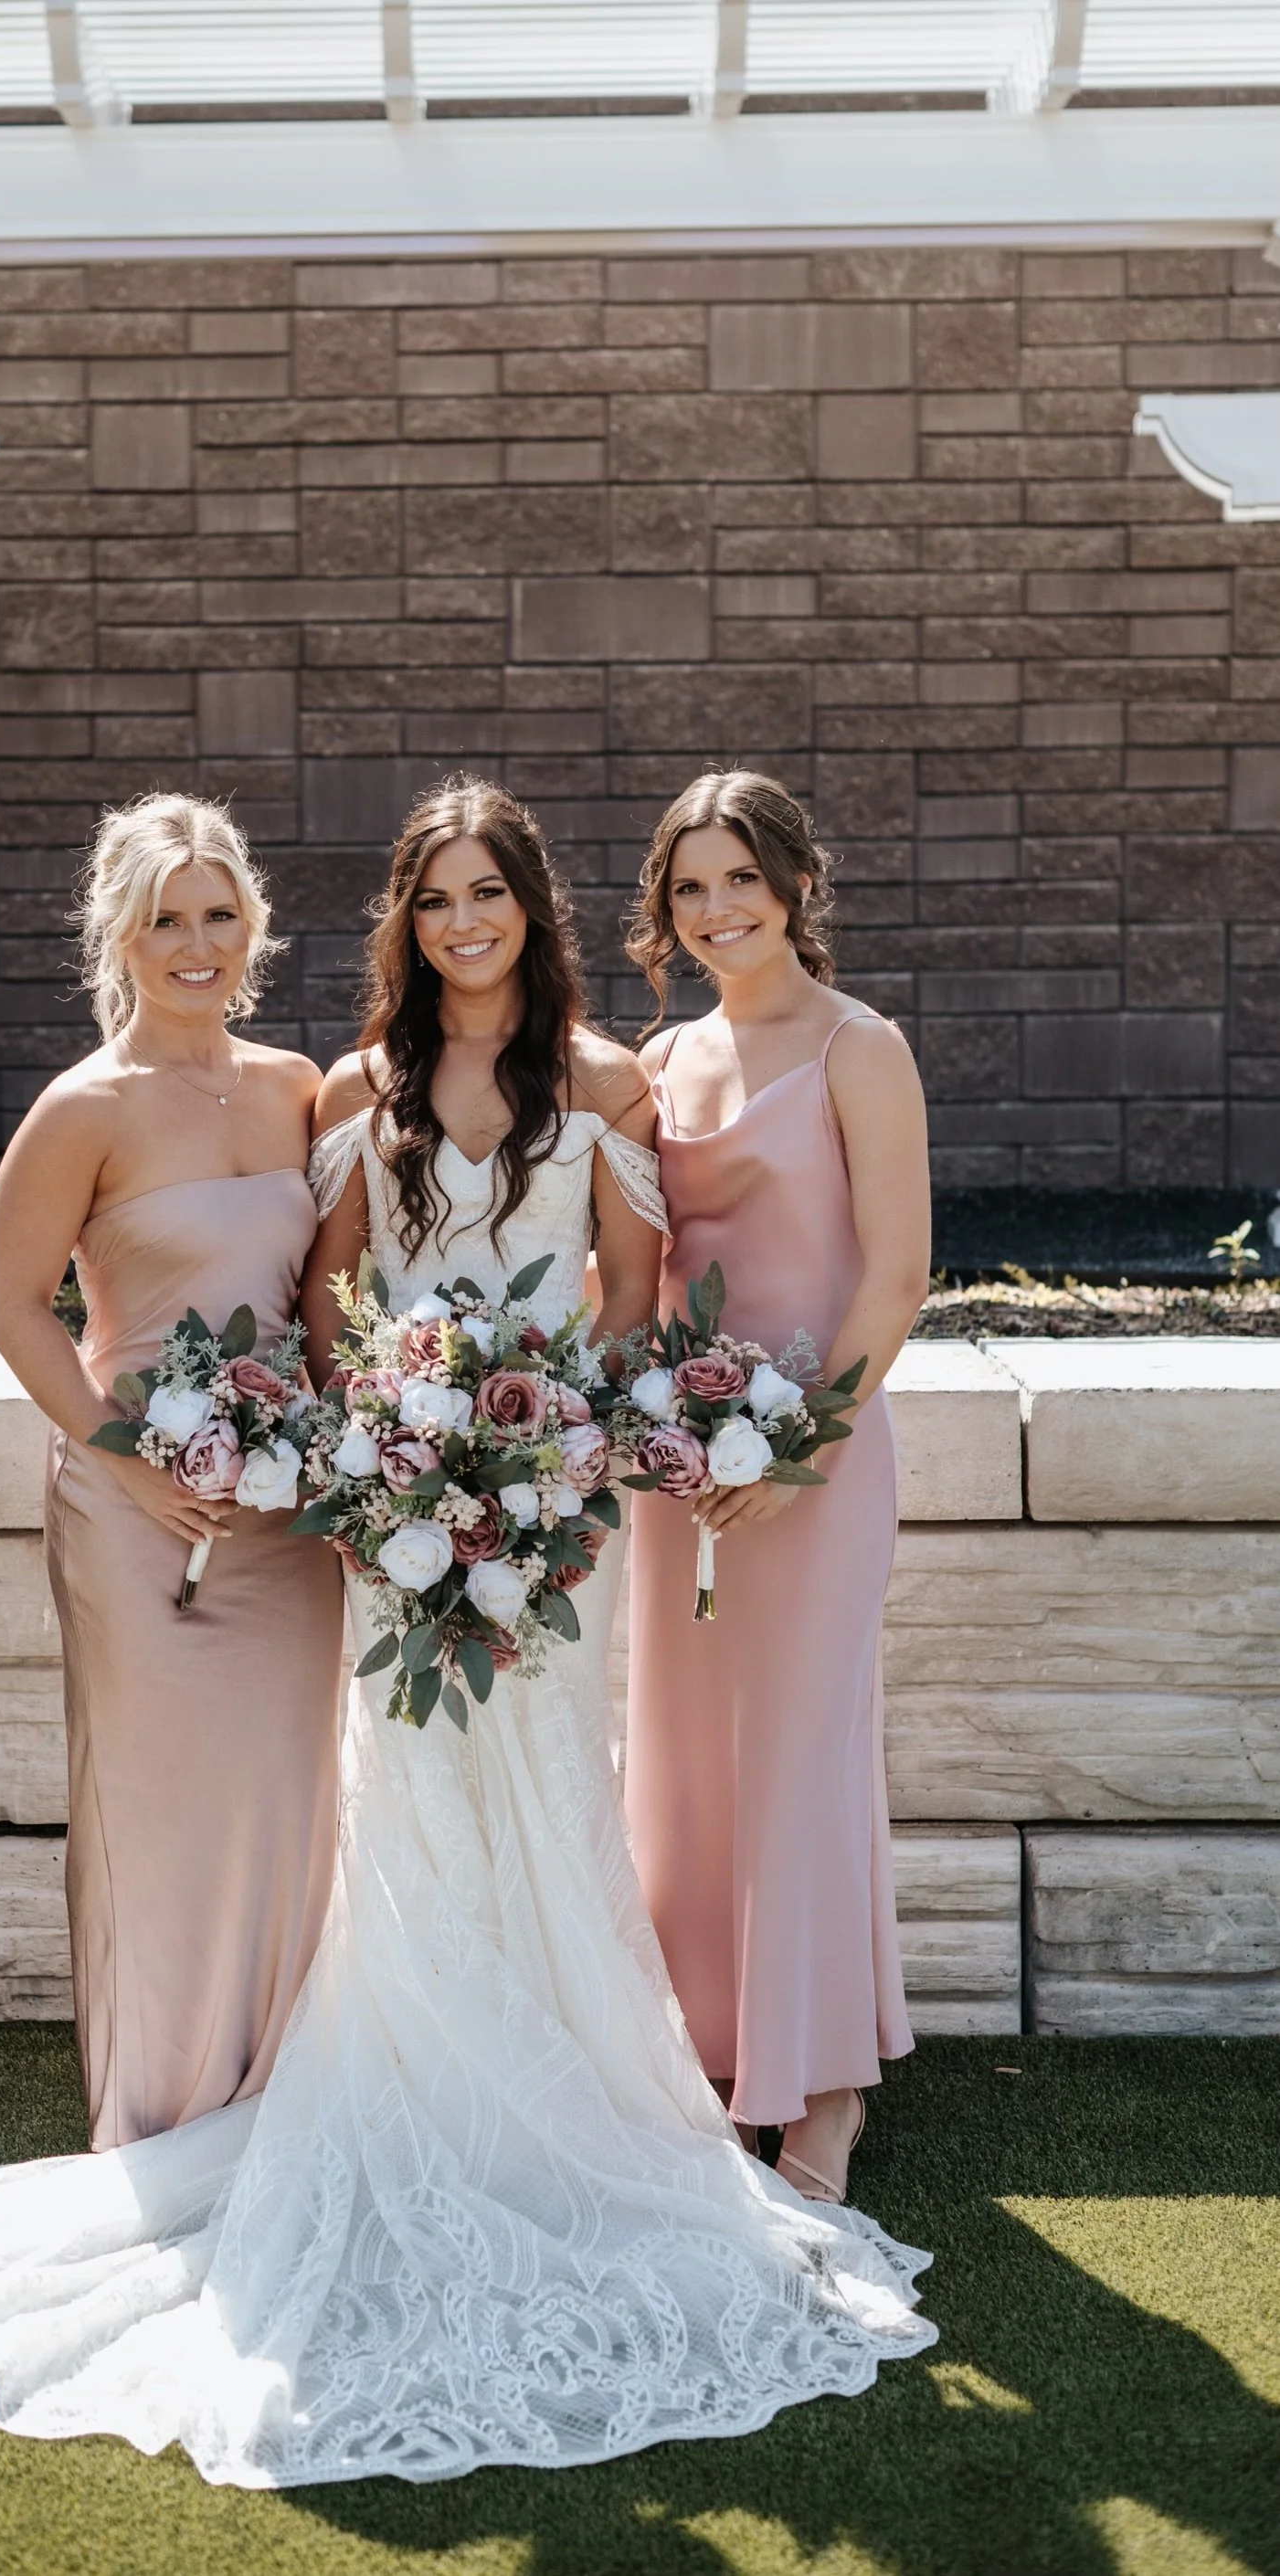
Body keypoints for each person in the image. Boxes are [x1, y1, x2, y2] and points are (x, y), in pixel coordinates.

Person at [0, 775, 935, 2486]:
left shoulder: (615, 1080)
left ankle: (613, 2113)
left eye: (490, 896)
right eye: (435, 901)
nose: (463, 927)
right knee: (408, 1814)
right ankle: (386, 2102)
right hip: (399, 1519)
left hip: (555, 1510)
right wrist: (392, 1448)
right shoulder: (353, 1090)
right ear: (404, 924)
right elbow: (329, 1303)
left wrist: (547, 1439)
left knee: (559, 1801)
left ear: (533, 912)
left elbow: (632, 1296)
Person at [0, 792, 343, 2148]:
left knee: (288, 1800)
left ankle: (281, 2110)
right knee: (164, 1810)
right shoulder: (85, 1109)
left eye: (218, 915)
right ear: (120, 937)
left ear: (251, 926)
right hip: (138, 1515)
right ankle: (163, 2115)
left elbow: (331, 1297)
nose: (197, 945)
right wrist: (126, 1464)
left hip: (288, 1517)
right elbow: (14, 1306)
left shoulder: (301, 1087)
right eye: (166, 921)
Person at [624, 770, 933, 2206]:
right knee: (687, 1759)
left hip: (818, 1456)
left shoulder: (860, 1048)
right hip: (681, 1470)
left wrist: (796, 1444)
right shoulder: (662, 1060)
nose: (715, 911)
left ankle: (826, 2085)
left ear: (795, 885)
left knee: (803, 1749)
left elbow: (899, 1275)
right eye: (690, 888)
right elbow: (630, 1270)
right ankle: (706, 2048)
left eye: (739, 878)